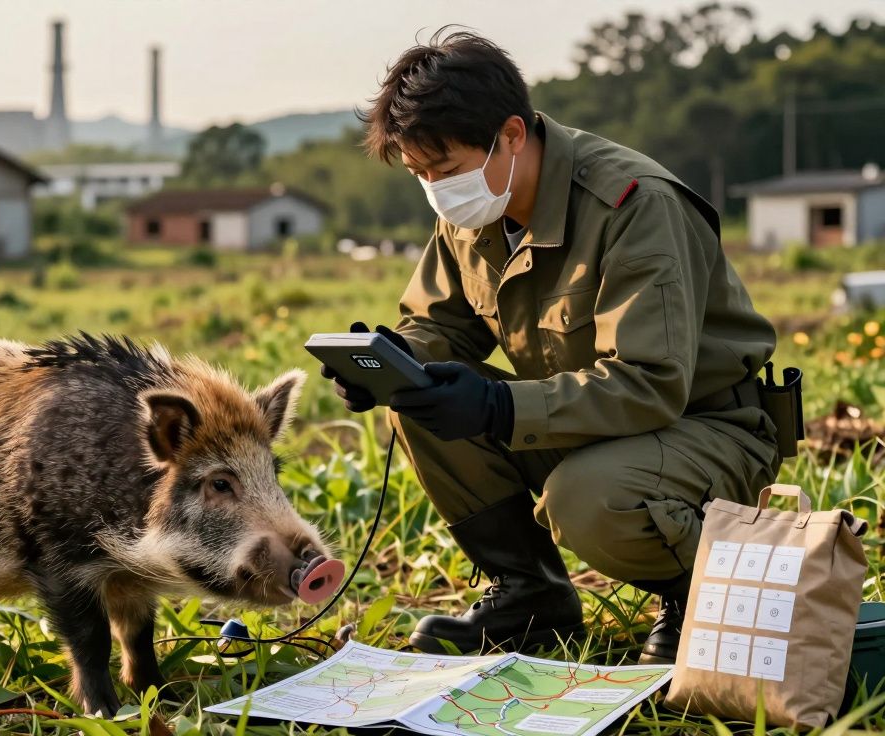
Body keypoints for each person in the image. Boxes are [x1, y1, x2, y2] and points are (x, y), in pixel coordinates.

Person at [327, 29, 782, 664]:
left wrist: (498, 408)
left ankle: (702, 598)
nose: (437, 189)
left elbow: (649, 383)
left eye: (447, 170)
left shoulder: (631, 204)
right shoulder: (477, 202)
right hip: (589, 418)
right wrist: (391, 362)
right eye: (421, 175)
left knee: (586, 496)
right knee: (421, 397)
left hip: (705, 427)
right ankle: (529, 597)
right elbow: (442, 325)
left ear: (512, 134)